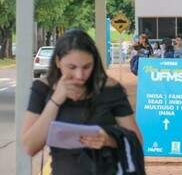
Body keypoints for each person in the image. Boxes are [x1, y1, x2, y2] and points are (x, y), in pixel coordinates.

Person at [21, 29, 144, 175]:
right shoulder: (42, 89)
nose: (80, 75)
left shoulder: (109, 89)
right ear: (58, 62)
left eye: (87, 67)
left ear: (95, 62)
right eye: (71, 67)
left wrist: (109, 139)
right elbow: (29, 146)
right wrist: (55, 101)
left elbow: (137, 140)